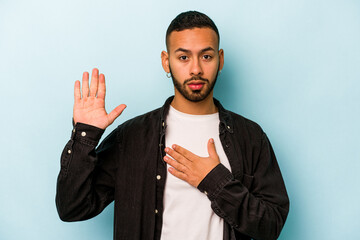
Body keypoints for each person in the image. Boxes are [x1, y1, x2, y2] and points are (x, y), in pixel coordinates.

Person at [56, 11, 289, 240]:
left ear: (220, 59)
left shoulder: (250, 137)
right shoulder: (131, 138)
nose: (196, 69)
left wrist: (215, 181)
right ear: (166, 62)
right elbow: (72, 208)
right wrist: (85, 136)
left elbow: (271, 226)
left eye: (206, 56)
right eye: (183, 57)